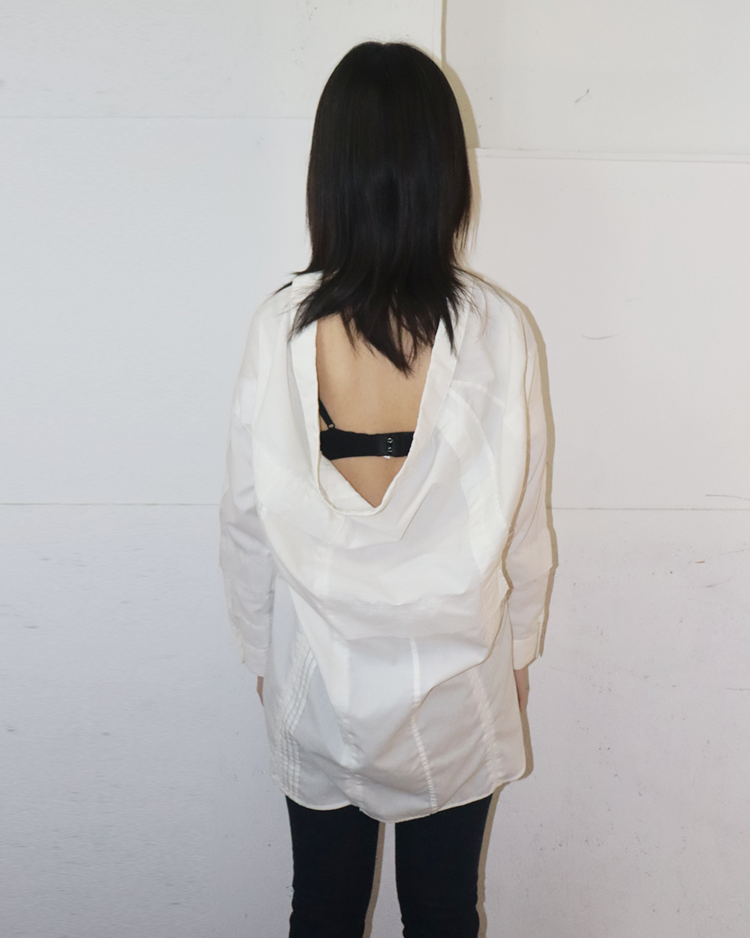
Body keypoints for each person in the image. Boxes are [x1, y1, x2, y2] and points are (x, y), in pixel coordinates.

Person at [220, 41, 554, 938]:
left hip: (315, 681)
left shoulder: (278, 329)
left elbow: (245, 520)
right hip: (459, 687)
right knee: (445, 912)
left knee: (323, 909)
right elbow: (525, 522)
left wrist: (260, 652)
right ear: (444, 174)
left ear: (329, 177)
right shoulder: (500, 331)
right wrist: (520, 650)